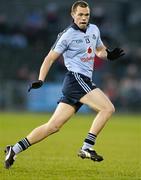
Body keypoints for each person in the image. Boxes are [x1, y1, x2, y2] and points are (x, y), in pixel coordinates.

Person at [4, 0, 124, 169]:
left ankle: (14, 149)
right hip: (75, 80)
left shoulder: (94, 29)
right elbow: (49, 58)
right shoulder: (67, 34)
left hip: (81, 82)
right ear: (73, 15)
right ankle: (87, 147)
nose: (84, 17)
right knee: (108, 108)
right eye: (80, 14)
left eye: (86, 14)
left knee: (53, 126)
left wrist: (109, 55)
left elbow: (99, 50)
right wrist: (41, 79)